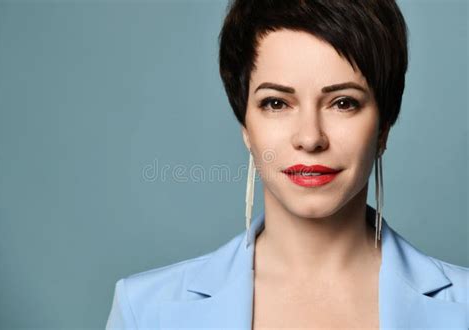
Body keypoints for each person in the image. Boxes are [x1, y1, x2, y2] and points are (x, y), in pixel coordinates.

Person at [106, 0, 469, 328]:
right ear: (245, 126)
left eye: (343, 103)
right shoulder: (145, 310)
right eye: (276, 103)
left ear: (383, 127)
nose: (310, 138)